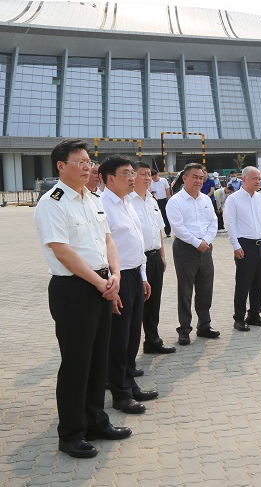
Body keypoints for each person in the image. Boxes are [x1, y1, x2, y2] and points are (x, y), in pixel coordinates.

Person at [34, 139, 131, 459]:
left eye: (89, 162)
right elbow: (62, 251)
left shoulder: (92, 198)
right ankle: (71, 433)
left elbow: (107, 240)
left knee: (98, 360)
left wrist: (114, 275)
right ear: (61, 166)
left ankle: (96, 421)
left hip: (102, 283)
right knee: (77, 364)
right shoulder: (53, 202)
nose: (88, 167)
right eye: (80, 162)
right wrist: (101, 282)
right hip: (74, 290)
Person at [98, 155, 159, 415]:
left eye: (133, 173)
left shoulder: (128, 203)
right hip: (117, 278)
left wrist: (143, 276)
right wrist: (111, 285)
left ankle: (129, 382)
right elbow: (103, 249)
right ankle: (120, 394)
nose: (133, 178)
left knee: (133, 334)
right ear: (110, 178)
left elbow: (137, 244)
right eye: (127, 174)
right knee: (119, 339)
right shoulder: (101, 206)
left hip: (135, 274)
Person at [166, 163, 220, 345]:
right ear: (184, 178)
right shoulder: (175, 201)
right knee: (185, 290)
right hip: (185, 250)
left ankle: (204, 326)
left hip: (206, 249)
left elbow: (214, 221)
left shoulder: (205, 199)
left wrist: (206, 241)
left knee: (205, 289)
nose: (199, 180)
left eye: (201, 177)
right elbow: (178, 227)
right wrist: (197, 242)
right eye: (194, 177)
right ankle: (184, 329)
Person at [132, 162, 175, 356]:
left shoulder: (151, 199)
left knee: (154, 301)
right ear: (133, 176)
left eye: (149, 174)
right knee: (137, 305)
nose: (148, 178)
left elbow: (159, 230)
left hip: (154, 258)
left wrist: (163, 256)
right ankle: (128, 351)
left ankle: (152, 340)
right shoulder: (127, 201)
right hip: (136, 261)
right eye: (143, 174)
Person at [225, 166, 261, 332]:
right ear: (243, 179)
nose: (258, 181)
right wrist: (235, 245)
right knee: (243, 284)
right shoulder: (234, 199)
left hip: (260, 245)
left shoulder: (260, 198)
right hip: (244, 245)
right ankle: (239, 317)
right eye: (255, 178)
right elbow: (230, 223)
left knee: (259, 283)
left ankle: (254, 314)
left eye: (259, 178)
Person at [150, 169, 171, 238]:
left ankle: (168, 232)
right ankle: (156, 233)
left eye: (155, 177)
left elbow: (167, 190)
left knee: (165, 216)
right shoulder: (150, 182)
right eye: (152, 178)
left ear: (157, 174)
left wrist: (169, 200)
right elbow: (148, 192)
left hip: (163, 200)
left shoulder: (164, 181)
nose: (154, 179)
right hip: (154, 201)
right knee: (155, 217)